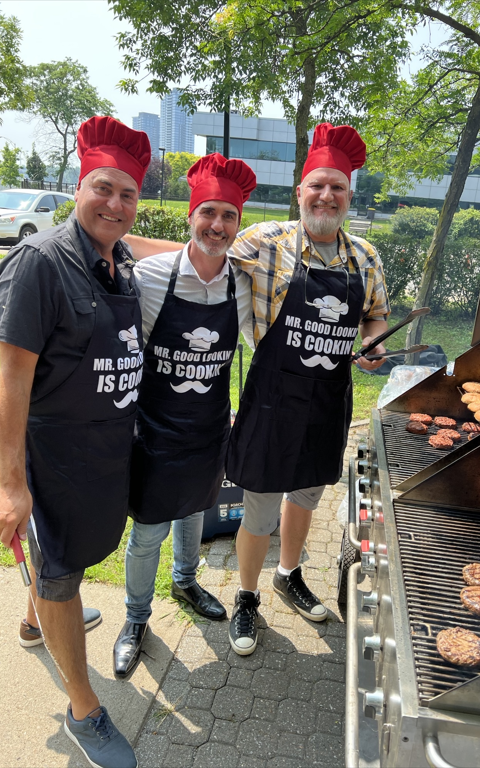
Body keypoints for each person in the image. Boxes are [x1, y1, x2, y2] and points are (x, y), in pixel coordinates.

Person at [125, 123, 389, 657]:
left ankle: (289, 574)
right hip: (270, 406)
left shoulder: (365, 257)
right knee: (259, 509)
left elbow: (376, 315)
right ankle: (247, 595)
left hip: (327, 405)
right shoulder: (265, 242)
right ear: (301, 191)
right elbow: (205, 247)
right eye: (318, 184)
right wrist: (127, 246)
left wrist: (375, 344)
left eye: (337, 186)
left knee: (307, 496)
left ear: (349, 195)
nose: (327, 195)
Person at [0, 116, 150, 768]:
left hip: (103, 452)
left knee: (73, 557)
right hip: (51, 456)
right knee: (61, 573)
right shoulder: (40, 263)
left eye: (128, 195)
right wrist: (10, 483)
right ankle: (84, 710)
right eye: (104, 188)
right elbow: (9, 376)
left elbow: (148, 242)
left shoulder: (118, 263)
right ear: (76, 185)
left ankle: (36, 625)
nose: (115, 204)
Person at [113, 153, 256, 678]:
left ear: (239, 225)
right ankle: (135, 618)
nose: (217, 226)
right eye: (208, 213)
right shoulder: (149, 278)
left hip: (209, 427)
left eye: (229, 216)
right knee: (147, 530)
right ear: (191, 216)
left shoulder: (243, 285)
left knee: (195, 510)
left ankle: (186, 579)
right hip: (153, 430)